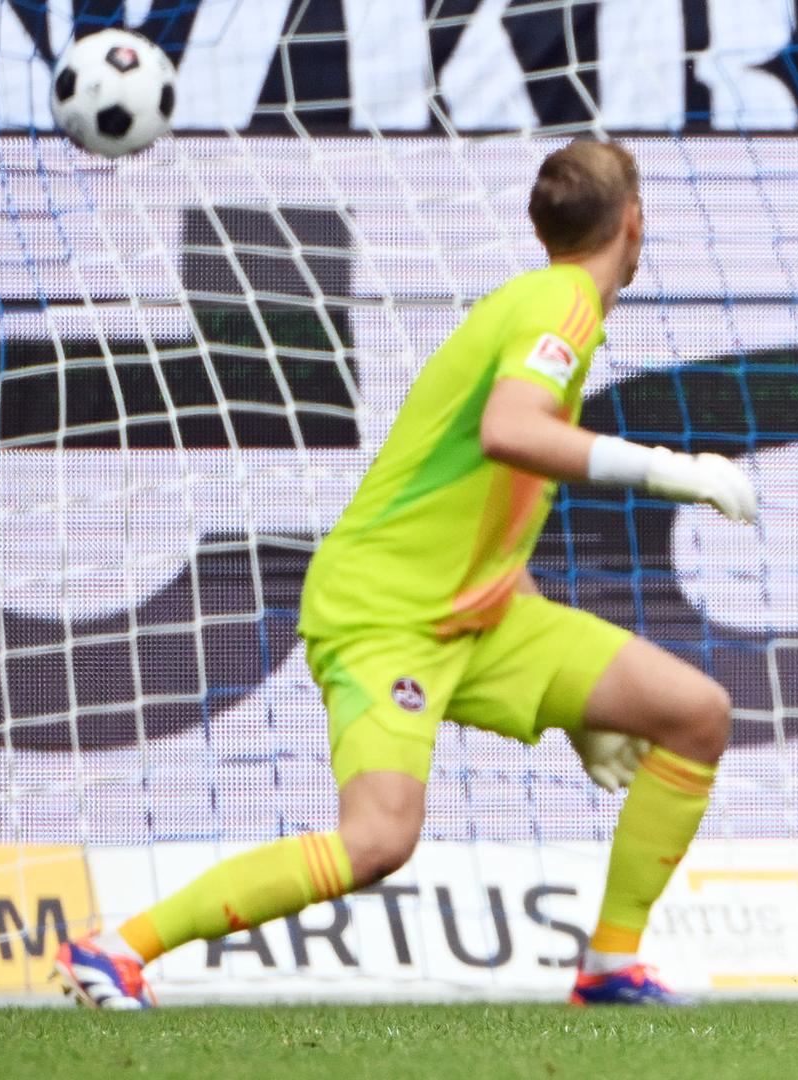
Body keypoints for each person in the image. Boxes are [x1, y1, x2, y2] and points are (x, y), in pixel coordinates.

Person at [54, 138, 758, 1009]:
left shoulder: (535, 302)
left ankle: (612, 966)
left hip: (483, 611)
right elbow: (512, 429)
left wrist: (584, 716)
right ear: (634, 222)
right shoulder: (564, 303)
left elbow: (489, 514)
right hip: (384, 613)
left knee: (693, 714)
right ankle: (115, 950)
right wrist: (668, 470)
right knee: (378, 840)